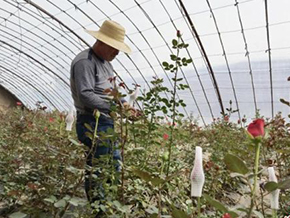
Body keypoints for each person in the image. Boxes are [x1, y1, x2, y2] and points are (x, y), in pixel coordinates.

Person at [70, 20, 134, 210]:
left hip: (105, 121)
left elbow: (112, 91)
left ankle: (108, 204)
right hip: (91, 122)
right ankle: (98, 209)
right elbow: (86, 94)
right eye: (114, 48)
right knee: (98, 168)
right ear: (102, 42)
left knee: (113, 164)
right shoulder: (85, 62)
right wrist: (115, 109)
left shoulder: (106, 64)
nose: (117, 52)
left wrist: (125, 105)